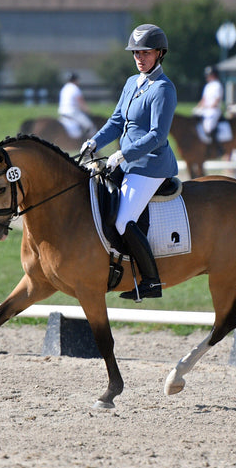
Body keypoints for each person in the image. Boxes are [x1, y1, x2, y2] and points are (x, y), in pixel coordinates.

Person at [80, 24, 178, 301]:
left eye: (145, 52)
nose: (139, 57)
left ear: (160, 53)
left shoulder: (163, 88)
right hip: (127, 162)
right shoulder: (131, 83)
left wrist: (124, 154)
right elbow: (116, 122)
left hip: (151, 166)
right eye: (136, 52)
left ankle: (151, 280)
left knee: (123, 220)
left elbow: (157, 136)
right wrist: (95, 142)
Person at [192, 65, 224, 151]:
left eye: (209, 75)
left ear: (213, 75)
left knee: (208, 127)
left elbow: (216, 100)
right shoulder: (208, 86)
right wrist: (198, 107)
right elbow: (203, 99)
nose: (207, 77)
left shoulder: (218, 85)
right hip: (206, 109)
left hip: (214, 110)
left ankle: (214, 146)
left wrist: (207, 107)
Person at [58, 72, 95, 138]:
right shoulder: (75, 88)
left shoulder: (64, 88)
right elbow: (81, 102)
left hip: (62, 113)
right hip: (73, 113)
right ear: (75, 80)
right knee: (90, 127)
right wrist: (88, 110)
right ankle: (90, 145)